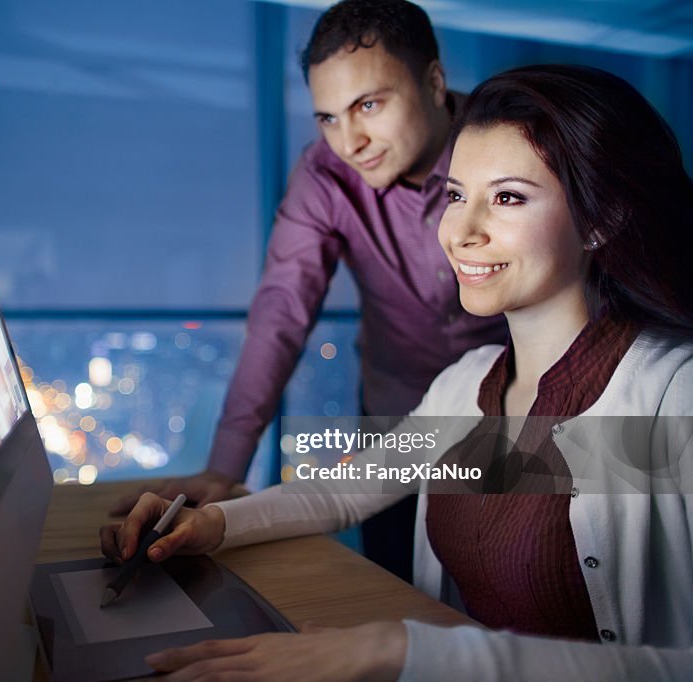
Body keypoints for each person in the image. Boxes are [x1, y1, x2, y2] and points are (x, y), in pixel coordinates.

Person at [102, 64, 693, 680]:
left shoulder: (671, 396)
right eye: (457, 196)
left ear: (603, 218)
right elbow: (346, 489)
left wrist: (400, 650)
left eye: (508, 197)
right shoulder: (469, 382)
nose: (460, 232)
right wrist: (210, 524)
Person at [113, 0, 508, 582]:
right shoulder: (324, 175)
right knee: (395, 583)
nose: (350, 141)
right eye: (327, 117)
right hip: (396, 413)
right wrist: (225, 469)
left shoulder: (512, 145)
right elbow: (281, 312)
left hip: (523, 404)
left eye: (368, 105)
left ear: (434, 80)